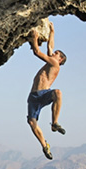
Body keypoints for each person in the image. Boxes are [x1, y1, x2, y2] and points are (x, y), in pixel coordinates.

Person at [27, 20, 67, 160]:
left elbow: (37, 52)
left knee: (58, 93)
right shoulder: (52, 61)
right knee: (32, 123)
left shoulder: (55, 64)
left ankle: (54, 123)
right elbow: (50, 46)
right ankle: (45, 146)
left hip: (44, 94)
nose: (52, 53)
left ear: (60, 59)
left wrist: (35, 38)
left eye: (56, 53)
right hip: (33, 96)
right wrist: (52, 32)